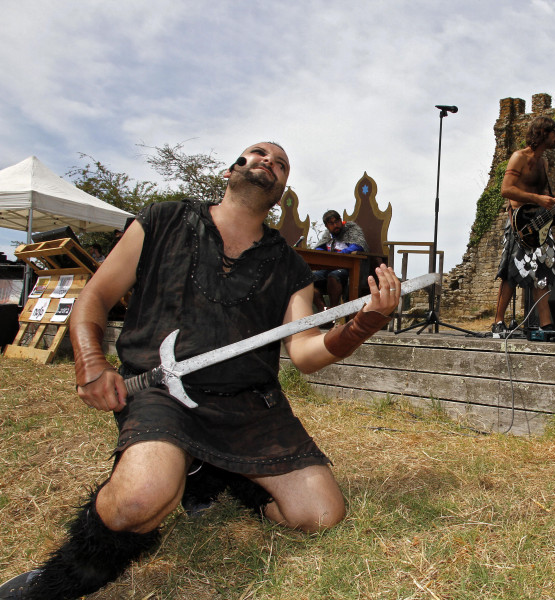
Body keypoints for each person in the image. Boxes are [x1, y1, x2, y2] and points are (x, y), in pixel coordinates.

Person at [0, 142, 401, 599]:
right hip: (163, 393)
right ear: (233, 170)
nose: (269, 161)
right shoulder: (162, 219)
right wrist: (91, 362)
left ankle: (218, 472)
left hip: (250, 403)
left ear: (283, 190)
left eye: (282, 163)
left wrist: (363, 325)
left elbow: (306, 353)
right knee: (140, 499)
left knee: (321, 513)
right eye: (258, 154)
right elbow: (95, 297)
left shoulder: (290, 266)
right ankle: (55, 583)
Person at [492, 115, 555, 337]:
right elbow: (506, 190)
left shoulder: (544, 162)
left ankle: (546, 324)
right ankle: (498, 323)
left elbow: (546, 196)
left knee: (543, 270)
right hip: (519, 223)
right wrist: (538, 199)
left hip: (540, 225)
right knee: (511, 273)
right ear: (543, 133)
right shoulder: (518, 158)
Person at [311, 210, 369, 312]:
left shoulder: (351, 230)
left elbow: (358, 246)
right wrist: (327, 254)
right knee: (308, 279)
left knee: (333, 276)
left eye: (337, 221)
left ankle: (333, 311)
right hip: (330, 267)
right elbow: (319, 248)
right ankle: (323, 310)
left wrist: (340, 254)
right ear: (326, 226)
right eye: (331, 223)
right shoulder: (327, 235)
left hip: (349, 268)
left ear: (340, 220)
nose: (335, 225)